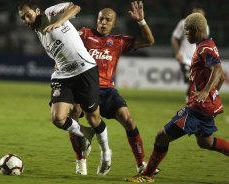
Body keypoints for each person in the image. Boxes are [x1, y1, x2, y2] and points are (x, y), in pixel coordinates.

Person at [125, 12, 228, 182]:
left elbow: (218, 71)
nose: (185, 34)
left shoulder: (204, 48)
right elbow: (222, 78)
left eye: (187, 31)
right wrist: (213, 93)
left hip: (197, 108)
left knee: (161, 137)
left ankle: (147, 176)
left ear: (196, 30)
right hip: (207, 107)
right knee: (206, 143)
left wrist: (205, 92)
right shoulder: (208, 45)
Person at [18, 0, 112, 175]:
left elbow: (76, 7)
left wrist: (59, 22)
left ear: (37, 11)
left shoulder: (49, 13)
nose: (26, 20)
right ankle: (85, 133)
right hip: (64, 75)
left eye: (28, 15)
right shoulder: (38, 32)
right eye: (23, 18)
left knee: (94, 118)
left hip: (85, 69)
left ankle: (106, 153)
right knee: (58, 118)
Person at [68, 1, 158, 176]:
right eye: (101, 19)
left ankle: (141, 165)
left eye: (108, 20)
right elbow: (66, 44)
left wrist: (141, 22)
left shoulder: (118, 41)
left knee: (128, 120)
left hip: (107, 90)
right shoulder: (84, 34)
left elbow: (149, 41)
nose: (103, 22)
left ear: (114, 23)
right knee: (73, 113)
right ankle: (80, 160)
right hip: (84, 87)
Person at [171, 8, 209, 99]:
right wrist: (177, 53)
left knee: (197, 80)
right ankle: (190, 97)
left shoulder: (205, 27)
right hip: (184, 57)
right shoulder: (183, 23)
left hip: (197, 58)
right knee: (190, 78)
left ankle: (189, 98)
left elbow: (204, 43)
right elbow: (174, 38)